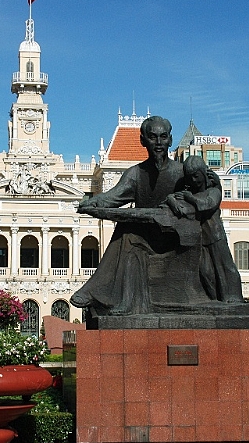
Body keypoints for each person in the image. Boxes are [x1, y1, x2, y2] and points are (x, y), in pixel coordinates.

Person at [70, 116, 185, 314]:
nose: (158, 143)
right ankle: (105, 293)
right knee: (126, 228)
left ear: (170, 140)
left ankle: (94, 289)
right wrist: (91, 202)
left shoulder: (182, 173)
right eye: (152, 137)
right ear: (143, 141)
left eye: (163, 137)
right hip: (146, 238)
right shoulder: (136, 174)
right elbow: (112, 197)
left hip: (176, 237)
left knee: (128, 228)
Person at [171, 155, 244, 303]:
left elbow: (207, 205)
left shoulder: (213, 192)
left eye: (196, 176)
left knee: (225, 268)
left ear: (204, 174)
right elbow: (171, 198)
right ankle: (213, 299)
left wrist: (190, 198)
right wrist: (174, 201)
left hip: (215, 237)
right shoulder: (191, 194)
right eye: (190, 177)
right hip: (201, 239)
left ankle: (232, 299)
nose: (194, 181)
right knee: (205, 272)